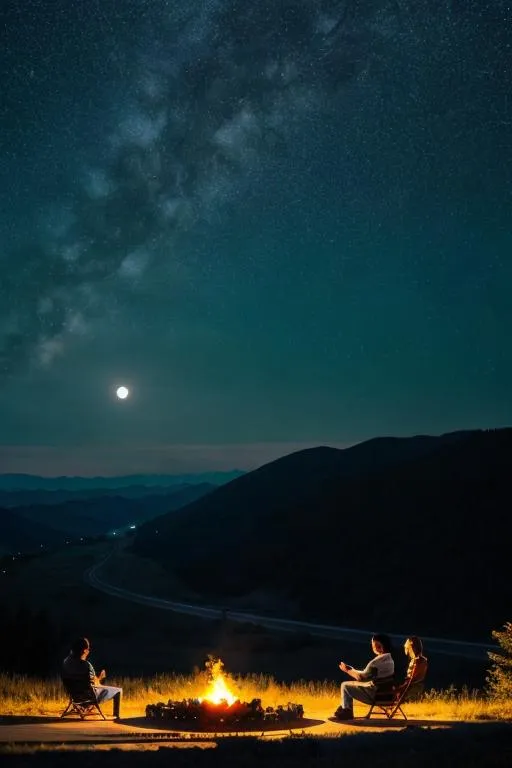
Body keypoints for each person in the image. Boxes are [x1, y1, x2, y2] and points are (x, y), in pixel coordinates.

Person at [334, 633, 395, 720]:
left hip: (374, 694)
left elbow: (361, 677)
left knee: (345, 685)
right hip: (383, 693)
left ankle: (347, 711)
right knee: (352, 684)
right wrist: (352, 670)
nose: (373, 647)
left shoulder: (376, 662)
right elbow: (366, 674)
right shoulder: (389, 660)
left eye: (374, 645)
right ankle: (344, 707)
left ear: (378, 646)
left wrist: (347, 670)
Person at [62, 636, 123, 719]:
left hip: (75, 697)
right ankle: (116, 716)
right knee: (118, 691)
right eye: (88, 649)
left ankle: (83, 708)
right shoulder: (86, 665)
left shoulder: (66, 662)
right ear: (84, 651)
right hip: (90, 697)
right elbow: (95, 684)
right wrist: (101, 677)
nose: (89, 651)